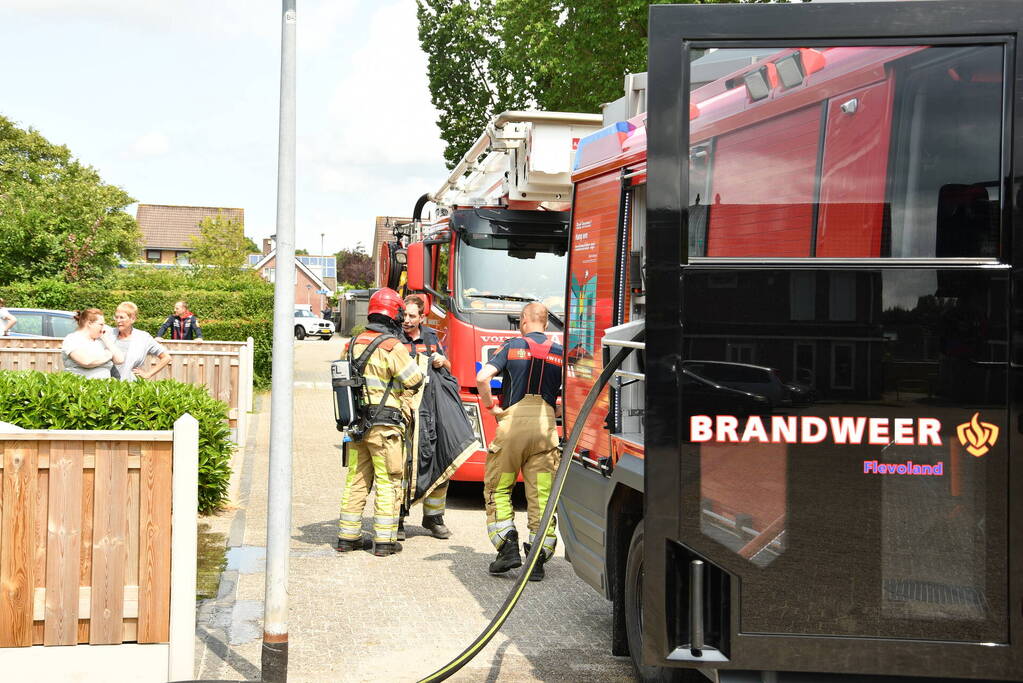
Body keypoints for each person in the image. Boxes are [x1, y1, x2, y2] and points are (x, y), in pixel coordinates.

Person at [475, 302, 563, 581]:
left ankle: (508, 548)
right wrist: (555, 410)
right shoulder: (561, 352)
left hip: (512, 426)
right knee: (542, 495)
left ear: (524, 320)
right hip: (546, 427)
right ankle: (537, 560)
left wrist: (492, 407)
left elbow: (482, 377)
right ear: (546, 324)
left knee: (499, 487)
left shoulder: (512, 346)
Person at [336, 288, 424, 557]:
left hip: (356, 425)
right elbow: (414, 378)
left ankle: (347, 537)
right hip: (386, 426)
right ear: (393, 314)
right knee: (388, 480)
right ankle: (384, 541)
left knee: (356, 479)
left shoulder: (350, 344)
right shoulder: (391, 346)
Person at [398, 294, 452, 540]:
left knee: (436, 461)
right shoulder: (393, 336)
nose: (407, 320)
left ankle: (433, 518)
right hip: (401, 410)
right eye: (404, 315)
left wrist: (443, 361)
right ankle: (397, 517)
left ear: (422, 317)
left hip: (428, 411)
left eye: (412, 316)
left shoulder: (431, 337)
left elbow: (449, 367)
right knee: (400, 464)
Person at [112, 302, 172, 381]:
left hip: (131, 386)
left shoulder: (143, 338)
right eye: (116, 317)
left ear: (132, 319)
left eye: (122, 317)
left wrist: (148, 374)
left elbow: (166, 357)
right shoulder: (108, 334)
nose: (118, 321)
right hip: (107, 385)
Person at [61, 308, 125, 379]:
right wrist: (109, 355)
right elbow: (86, 362)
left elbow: (120, 360)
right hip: (80, 386)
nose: (103, 328)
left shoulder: (101, 340)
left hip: (104, 386)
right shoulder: (72, 339)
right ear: (89, 324)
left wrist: (106, 339)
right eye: (101, 324)